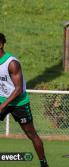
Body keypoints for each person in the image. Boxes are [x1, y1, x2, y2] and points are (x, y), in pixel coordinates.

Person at [0, 33, 49, 167]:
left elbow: (18, 89)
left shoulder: (12, 63)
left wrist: (3, 105)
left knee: (31, 134)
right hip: (2, 99)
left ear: (1, 45)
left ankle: (43, 163)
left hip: (19, 102)